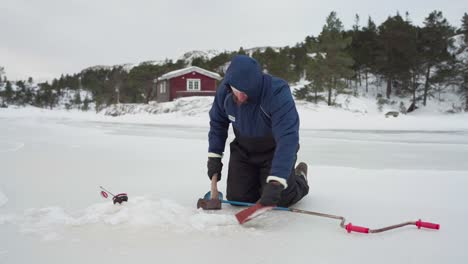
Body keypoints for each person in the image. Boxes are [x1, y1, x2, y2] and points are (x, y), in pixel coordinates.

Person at [207, 55, 309, 207]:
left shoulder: (277, 92)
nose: (241, 97)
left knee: (280, 199)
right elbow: (218, 124)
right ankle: (259, 183)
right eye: (238, 91)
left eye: (246, 92)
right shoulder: (225, 93)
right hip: (243, 150)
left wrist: (276, 180)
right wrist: (214, 157)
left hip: (273, 151)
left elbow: (288, 137)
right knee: (239, 198)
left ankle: (299, 177)